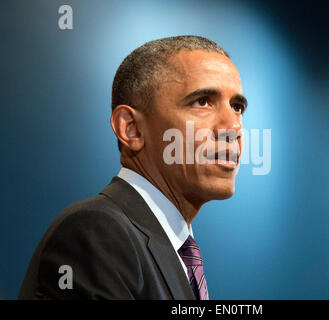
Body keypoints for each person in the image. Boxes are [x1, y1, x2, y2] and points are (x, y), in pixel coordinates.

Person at [19, 35, 247, 299]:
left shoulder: (176, 250)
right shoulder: (97, 233)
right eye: (202, 101)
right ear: (131, 128)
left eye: (237, 106)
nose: (233, 128)